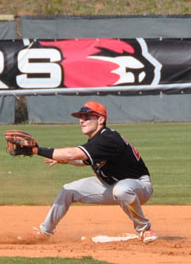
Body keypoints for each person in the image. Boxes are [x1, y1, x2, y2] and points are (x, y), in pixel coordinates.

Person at [20, 101, 157, 244]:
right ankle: (44, 231)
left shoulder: (108, 139)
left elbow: (71, 154)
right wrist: (65, 160)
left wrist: (36, 150)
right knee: (68, 190)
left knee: (121, 190)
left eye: (86, 117)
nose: (81, 121)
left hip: (138, 186)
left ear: (100, 119)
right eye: (80, 117)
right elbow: (83, 160)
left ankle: (144, 229)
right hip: (111, 185)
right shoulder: (97, 140)